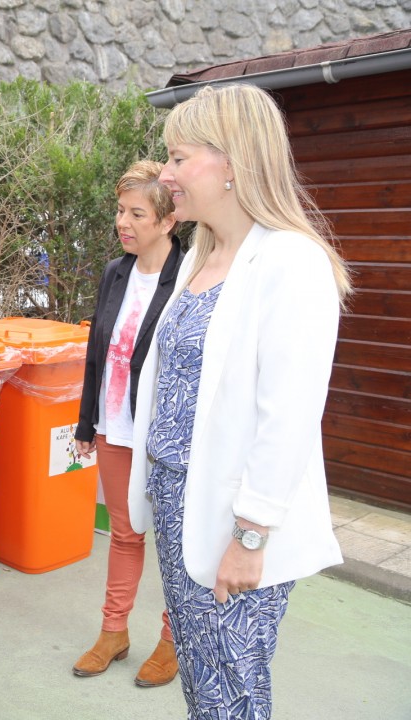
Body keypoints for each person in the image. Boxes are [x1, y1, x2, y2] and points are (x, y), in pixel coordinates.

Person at [127, 83, 351, 718]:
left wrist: (250, 537)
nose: (166, 175)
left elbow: (289, 416)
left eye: (179, 158)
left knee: (234, 690)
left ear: (234, 162)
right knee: (204, 685)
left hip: (235, 523)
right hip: (179, 508)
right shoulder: (201, 256)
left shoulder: (291, 263)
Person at [72, 160, 184, 687]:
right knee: (124, 533)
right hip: (114, 425)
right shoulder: (116, 272)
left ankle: (173, 639)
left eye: (137, 213)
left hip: (164, 436)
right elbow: (97, 354)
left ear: (168, 220)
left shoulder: (189, 278)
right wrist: (86, 424)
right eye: (120, 210)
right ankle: (113, 631)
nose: (123, 222)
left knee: (174, 544)